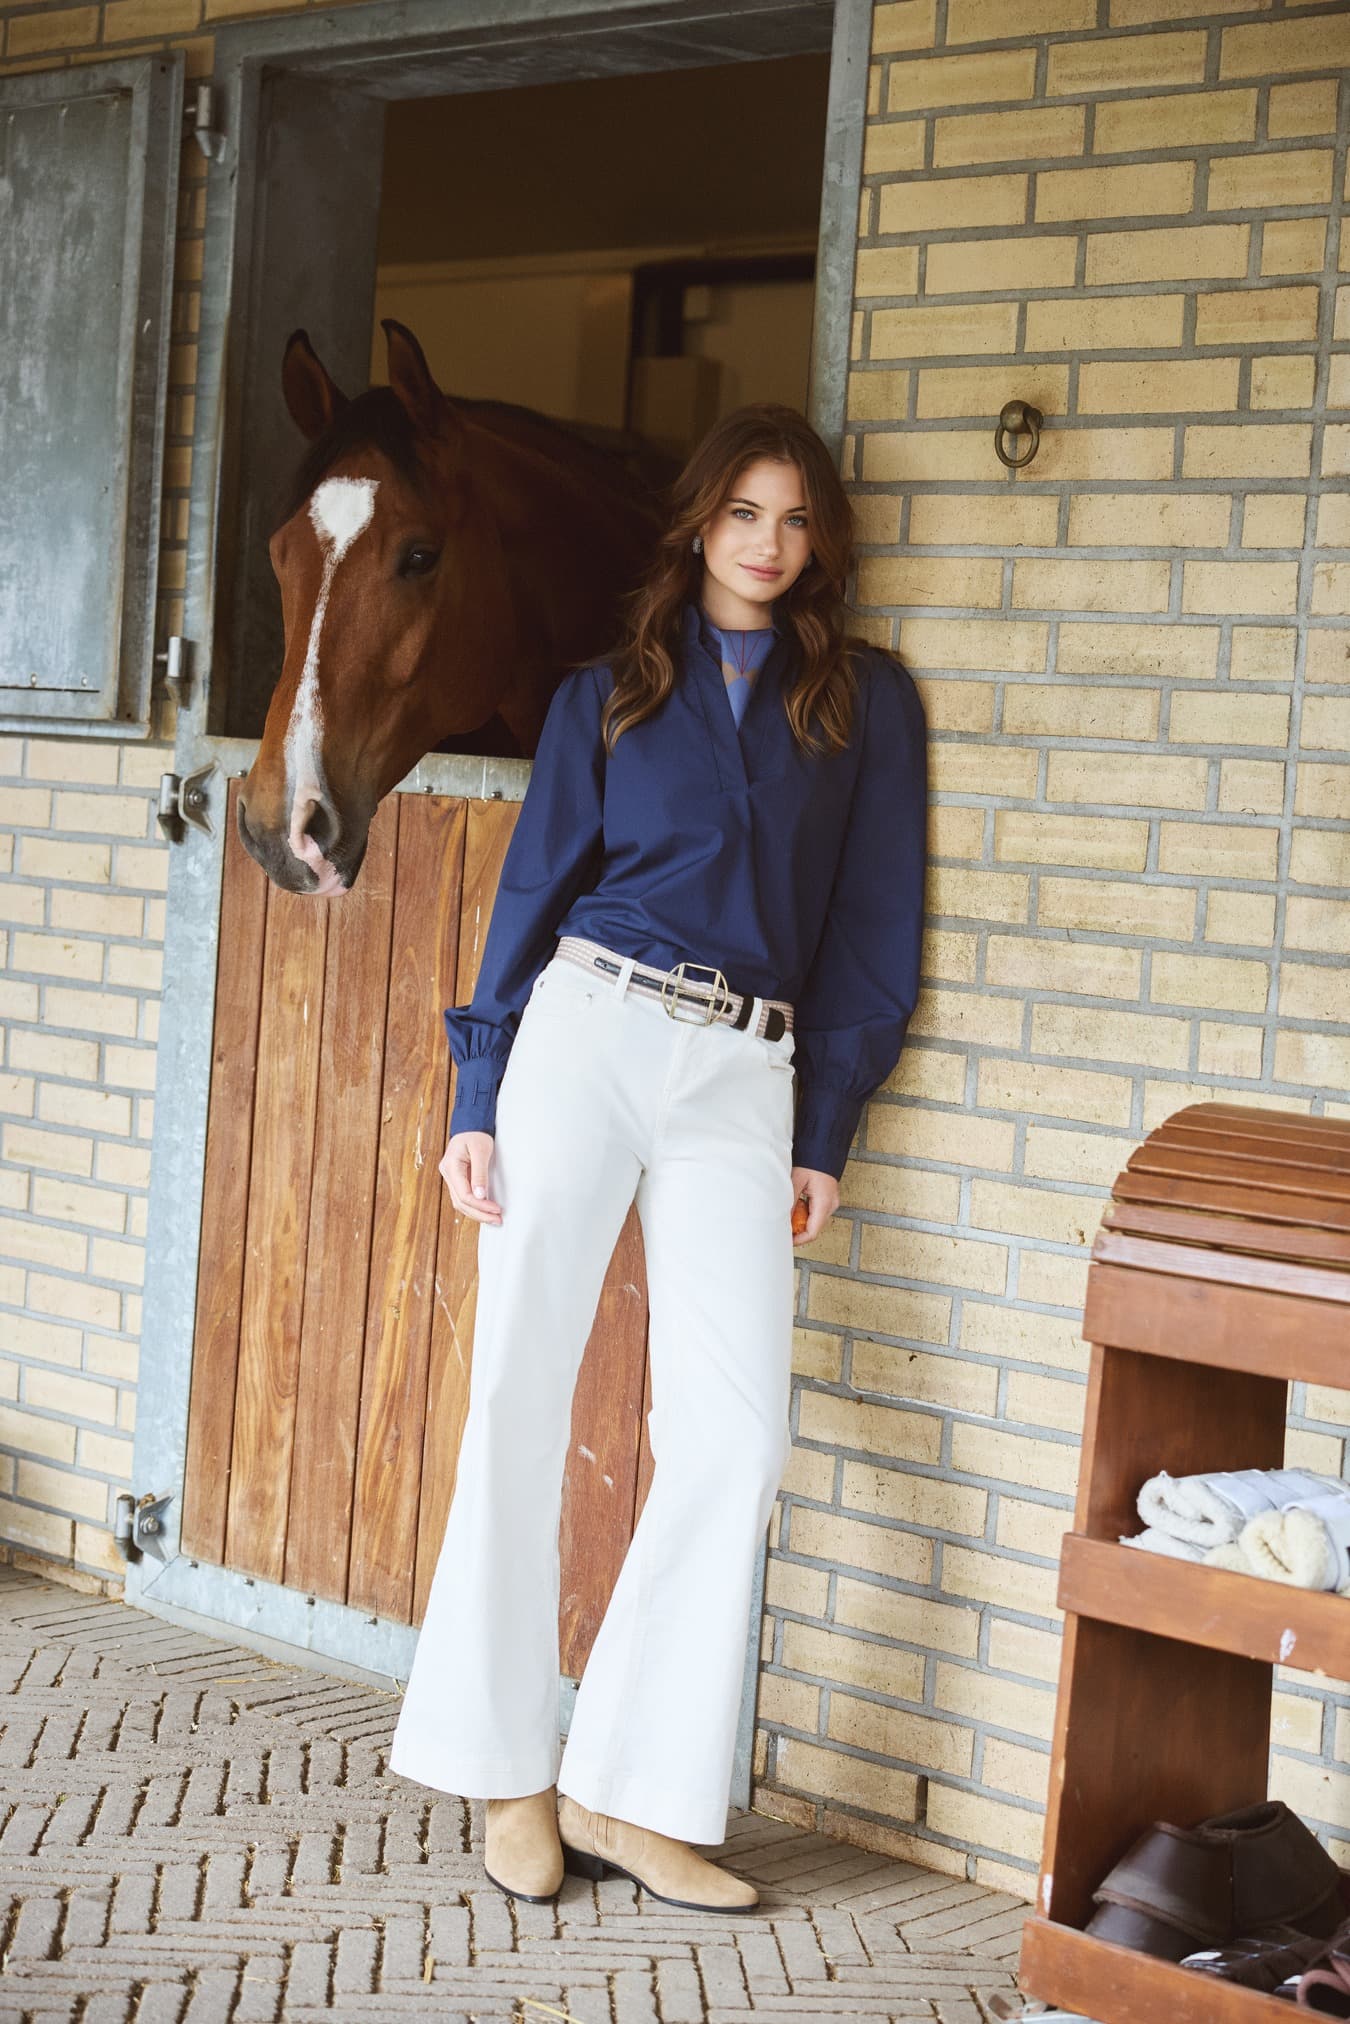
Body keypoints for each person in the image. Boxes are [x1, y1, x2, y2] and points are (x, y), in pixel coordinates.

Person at [387, 402, 928, 1913]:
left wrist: (825, 1126)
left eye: (796, 518)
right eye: (744, 512)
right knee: (517, 1390)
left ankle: (626, 1790)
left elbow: (872, 930)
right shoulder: (606, 696)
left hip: (744, 1076)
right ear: (698, 524)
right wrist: (478, 1091)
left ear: (821, 541)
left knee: (737, 1437)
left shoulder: (864, 705)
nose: (769, 542)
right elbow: (532, 892)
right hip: (589, 1032)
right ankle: (505, 1768)